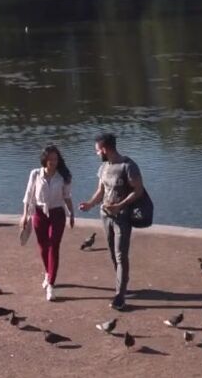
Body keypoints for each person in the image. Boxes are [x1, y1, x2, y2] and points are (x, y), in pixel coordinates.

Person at [79, 133, 145, 311]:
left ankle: (120, 295)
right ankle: (122, 284)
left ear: (104, 149)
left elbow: (138, 190)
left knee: (121, 255)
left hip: (123, 217)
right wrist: (90, 204)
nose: (96, 154)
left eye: (97, 150)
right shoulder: (104, 167)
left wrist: (120, 206)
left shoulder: (128, 166)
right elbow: (101, 191)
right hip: (105, 216)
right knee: (112, 253)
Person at [20, 143, 74, 301]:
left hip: (57, 213)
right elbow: (28, 195)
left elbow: (67, 196)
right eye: (50, 159)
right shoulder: (35, 174)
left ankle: (51, 285)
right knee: (43, 246)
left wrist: (72, 214)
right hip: (39, 213)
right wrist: (24, 215)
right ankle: (48, 272)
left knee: (54, 246)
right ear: (44, 160)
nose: (53, 162)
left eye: (55, 159)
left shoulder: (63, 176)